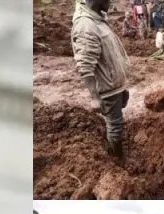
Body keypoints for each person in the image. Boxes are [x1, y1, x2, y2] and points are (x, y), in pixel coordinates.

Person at [72, 0, 131, 159]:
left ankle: (116, 152)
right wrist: (94, 97)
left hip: (114, 84)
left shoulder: (97, 19)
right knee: (115, 126)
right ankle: (118, 160)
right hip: (108, 89)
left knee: (115, 123)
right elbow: (85, 65)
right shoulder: (86, 25)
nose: (110, 2)